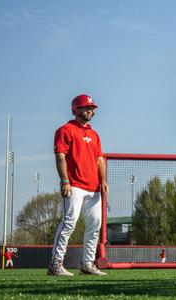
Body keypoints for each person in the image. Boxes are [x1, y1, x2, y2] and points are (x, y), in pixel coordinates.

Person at [48, 94, 109, 276]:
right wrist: (64, 180)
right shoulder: (65, 130)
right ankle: (55, 263)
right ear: (76, 110)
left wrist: (103, 180)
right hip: (74, 184)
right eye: (86, 107)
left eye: (92, 108)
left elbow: (99, 159)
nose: (91, 110)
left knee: (95, 225)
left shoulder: (94, 134)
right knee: (69, 223)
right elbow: (60, 157)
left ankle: (88, 264)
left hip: (94, 186)